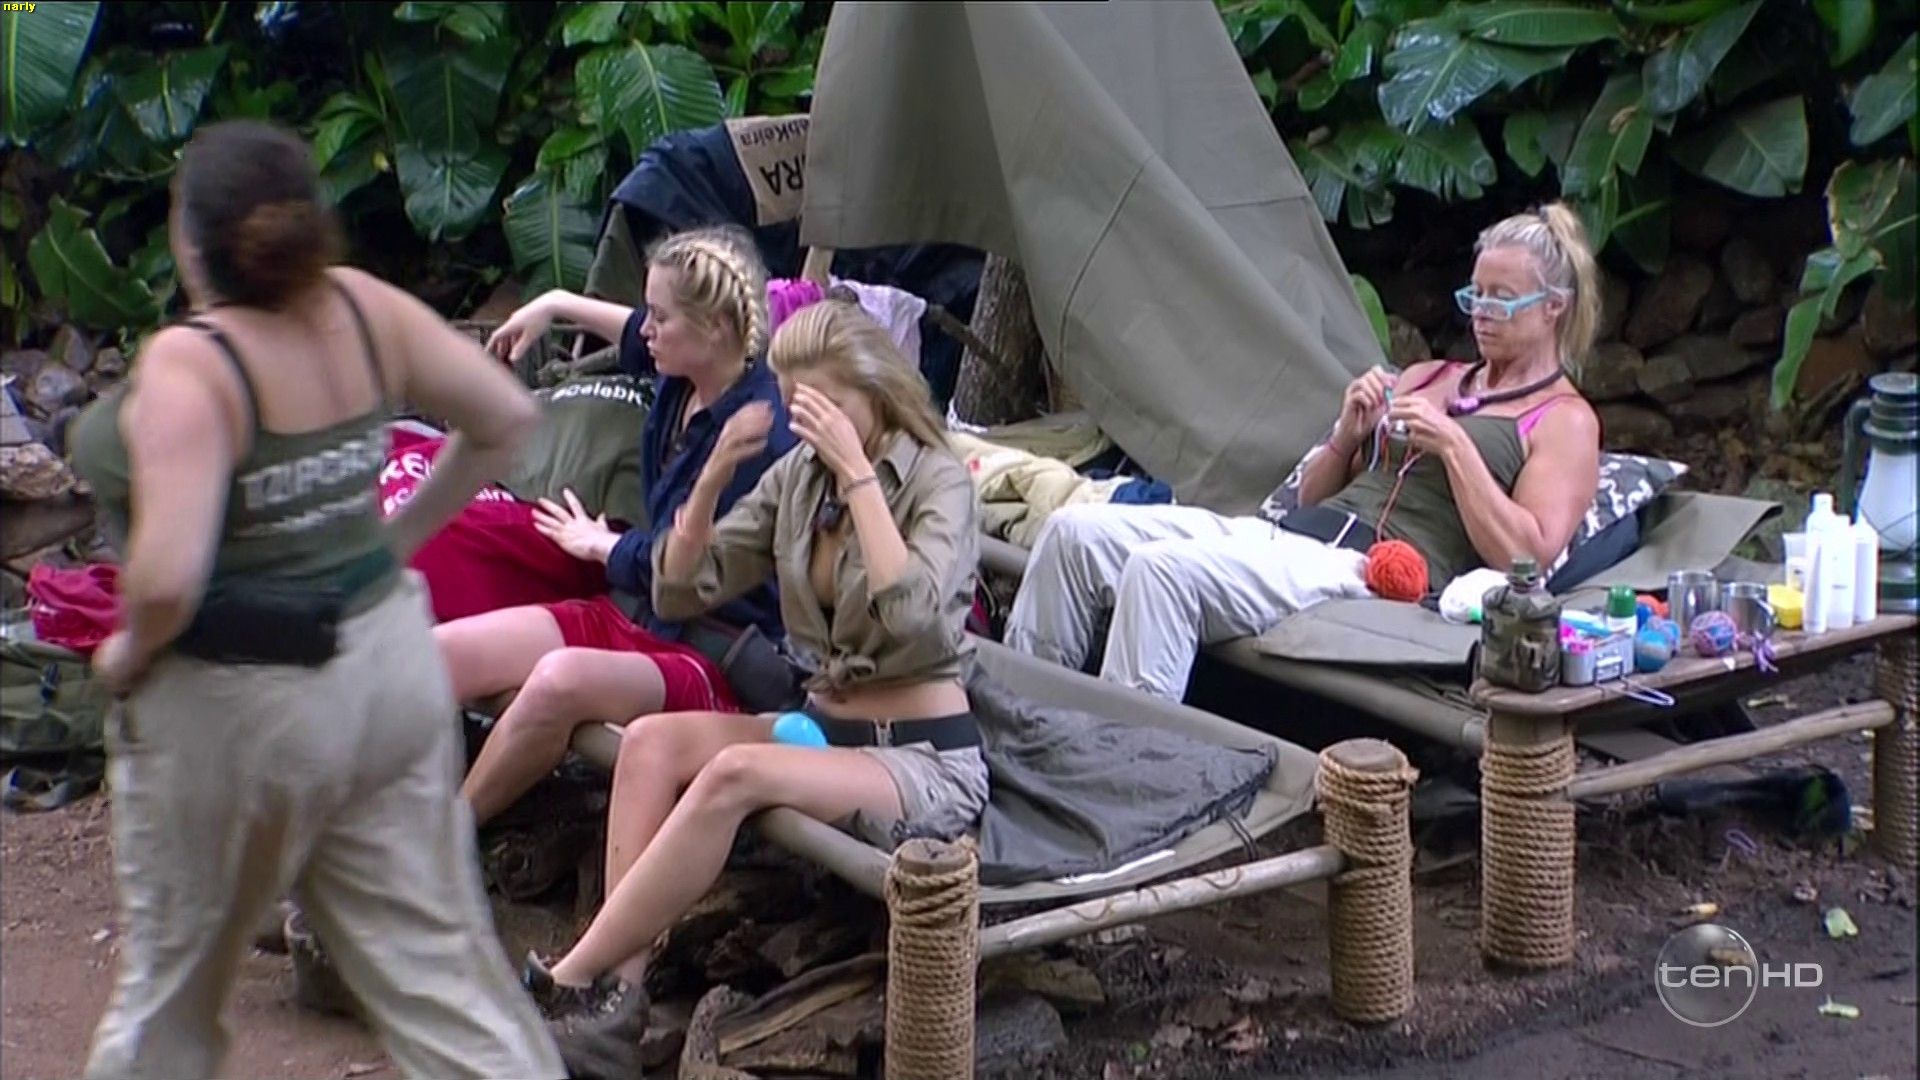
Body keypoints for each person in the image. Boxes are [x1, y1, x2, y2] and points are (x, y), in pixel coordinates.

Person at [68, 120, 565, 1079]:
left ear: (190, 238)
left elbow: (166, 580)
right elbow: (504, 416)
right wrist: (396, 541)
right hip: (387, 669)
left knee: (170, 1002)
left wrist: (125, 654)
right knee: (448, 989)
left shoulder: (193, 363)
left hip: (243, 699)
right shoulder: (362, 308)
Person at [518, 300, 986, 1071]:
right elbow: (682, 588)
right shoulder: (798, 478)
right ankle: (615, 1006)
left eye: (829, 408)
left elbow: (916, 621)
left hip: (918, 760)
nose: (813, 428)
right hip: (822, 731)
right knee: (650, 743)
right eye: (800, 410)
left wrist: (860, 478)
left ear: (877, 391)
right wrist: (710, 482)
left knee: (732, 772)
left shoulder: (936, 482)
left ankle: (569, 979)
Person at [1004, 203, 1604, 701]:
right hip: (1294, 538)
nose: (1482, 315)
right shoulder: (1430, 376)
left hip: (1374, 573)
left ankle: (1119, 771)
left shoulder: (1564, 421)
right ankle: (1017, 721)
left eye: (1502, 300)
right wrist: (1347, 433)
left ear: (1554, 306)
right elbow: (1311, 500)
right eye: (1476, 296)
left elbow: (1526, 556)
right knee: (1073, 533)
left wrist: (1454, 446)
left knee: (1161, 571)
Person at [435, 225, 798, 827]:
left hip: (708, 649)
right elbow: (630, 330)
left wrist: (606, 546)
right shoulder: (684, 373)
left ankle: (445, 840)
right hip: (632, 611)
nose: (645, 329)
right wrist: (555, 304)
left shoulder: (760, 433)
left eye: (660, 316)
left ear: (714, 326)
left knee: (557, 681)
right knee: (435, 655)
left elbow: (693, 577)